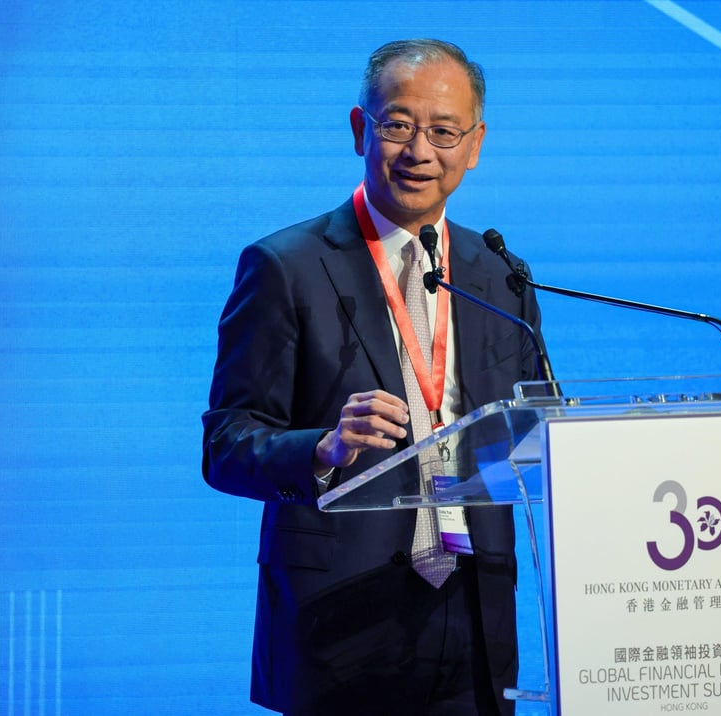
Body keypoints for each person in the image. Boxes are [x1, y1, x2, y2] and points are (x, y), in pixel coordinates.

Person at [202, 38, 546, 715]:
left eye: (444, 131)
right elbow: (225, 443)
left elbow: (532, 427)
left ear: (474, 145)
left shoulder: (501, 274)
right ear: (361, 130)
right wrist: (324, 449)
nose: (420, 149)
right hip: (340, 623)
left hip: (476, 620)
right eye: (397, 125)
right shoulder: (285, 266)